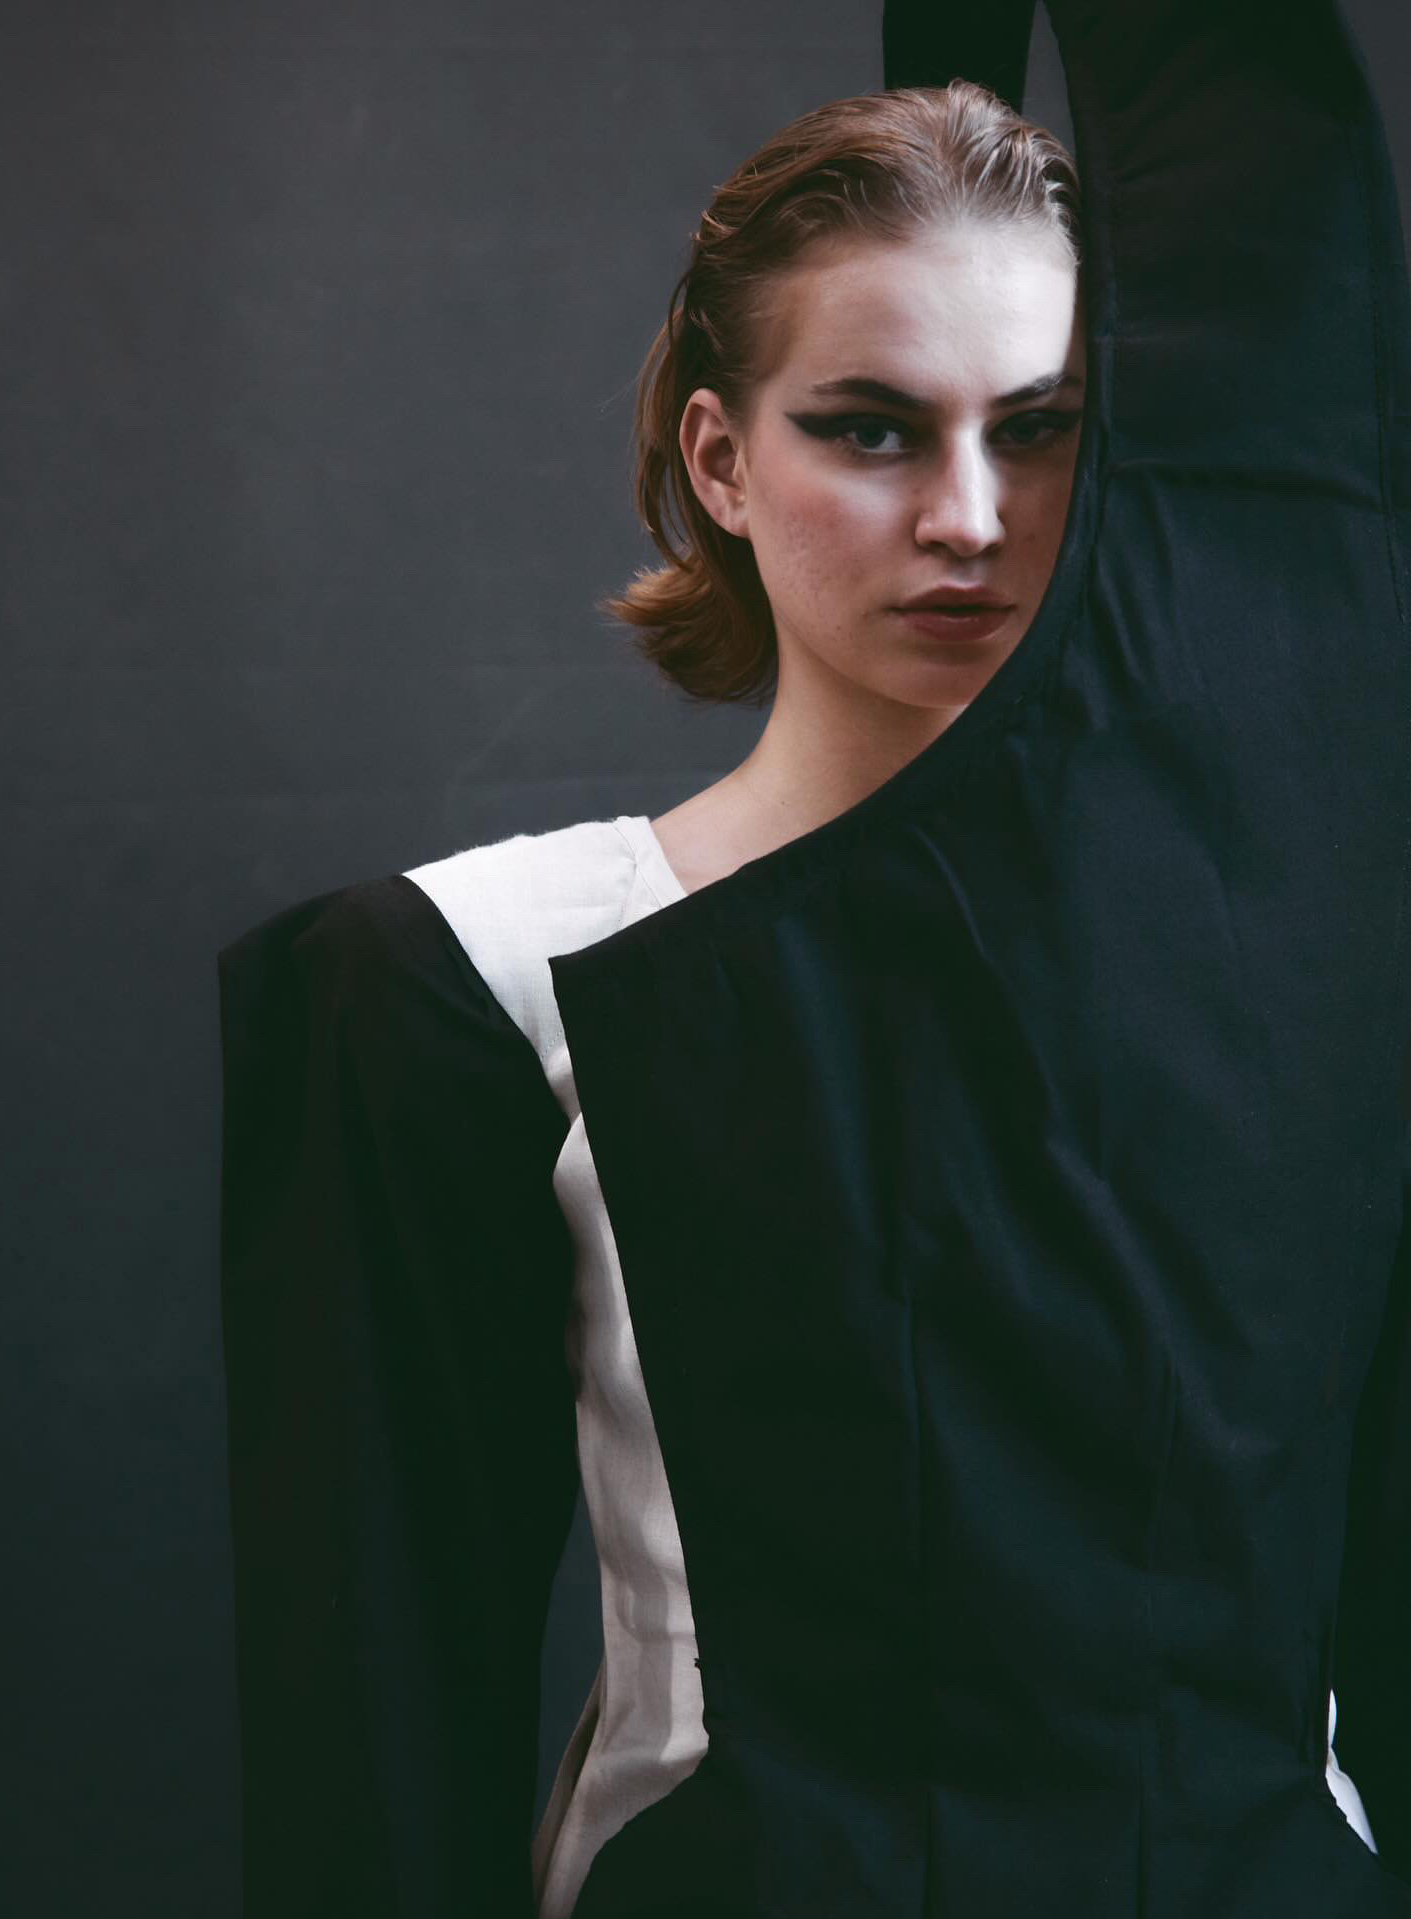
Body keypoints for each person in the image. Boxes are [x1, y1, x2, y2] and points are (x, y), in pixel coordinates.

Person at [217, 2, 1411, 1914]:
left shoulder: (1328, 957)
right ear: (719, 457)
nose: (970, 519)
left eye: (1043, 430)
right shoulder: (483, 979)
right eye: (871, 428)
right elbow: (375, 1741)